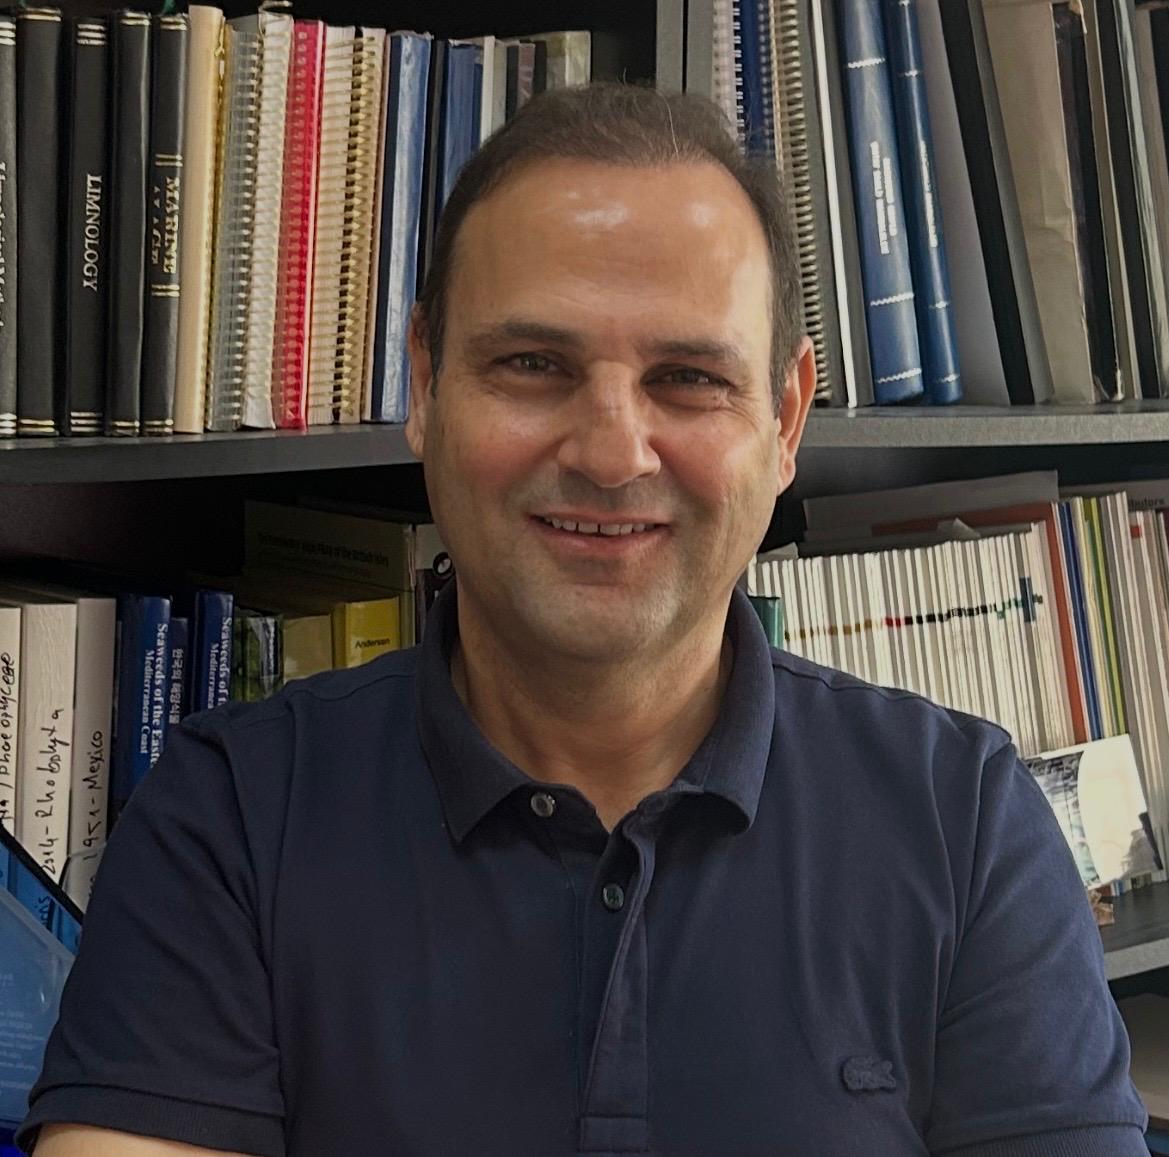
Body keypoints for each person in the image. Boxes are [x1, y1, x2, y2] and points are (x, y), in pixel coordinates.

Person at [21, 83, 1147, 1156]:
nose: (611, 453)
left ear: (785, 417)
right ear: (425, 385)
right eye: (531, 363)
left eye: (688, 377)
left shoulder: (965, 824)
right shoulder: (228, 818)